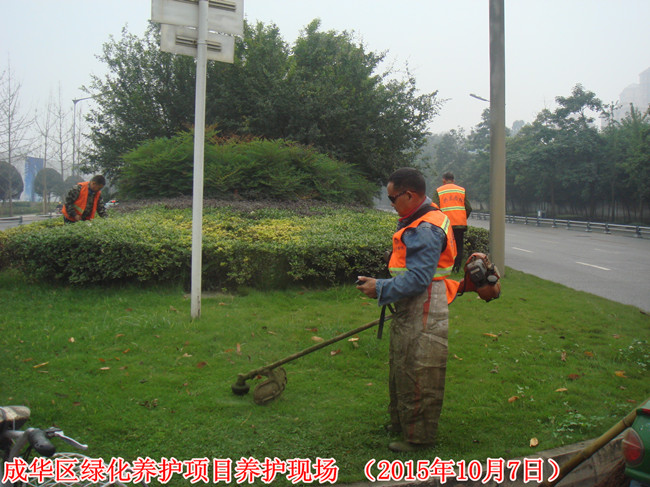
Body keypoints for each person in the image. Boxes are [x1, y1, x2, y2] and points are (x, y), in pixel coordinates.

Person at [357, 168, 457, 452]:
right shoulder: (420, 220)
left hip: (423, 305)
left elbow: (418, 279)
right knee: (403, 365)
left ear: (410, 195)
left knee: (420, 370)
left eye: (392, 198)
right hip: (413, 303)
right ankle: (401, 424)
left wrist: (379, 288)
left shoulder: (425, 228)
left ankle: (418, 438)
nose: (391, 204)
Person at [433, 172, 472, 273]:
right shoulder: (461, 190)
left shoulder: (439, 191)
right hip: (459, 224)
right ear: (453, 180)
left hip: (445, 224)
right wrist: (462, 218)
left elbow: (435, 208)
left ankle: (446, 267)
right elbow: (468, 208)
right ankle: (457, 267)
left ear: (443, 180)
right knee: (459, 245)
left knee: (446, 245)